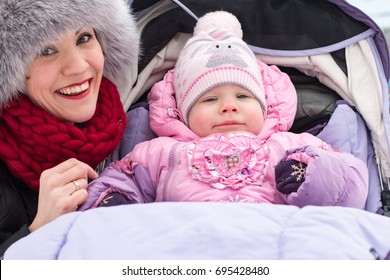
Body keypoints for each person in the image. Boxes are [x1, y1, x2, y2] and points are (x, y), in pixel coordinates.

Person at [79, 11, 368, 210]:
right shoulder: (161, 153)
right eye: (209, 99)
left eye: (243, 95)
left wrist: (312, 177)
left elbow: (351, 185)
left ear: (264, 106)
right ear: (183, 113)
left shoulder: (290, 146)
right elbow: (121, 180)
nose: (229, 105)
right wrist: (112, 202)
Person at [0, 0, 140, 255]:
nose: (78, 66)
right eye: (46, 50)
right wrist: (40, 231)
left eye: (84, 37)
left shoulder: (144, 125)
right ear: (11, 74)